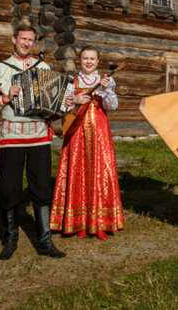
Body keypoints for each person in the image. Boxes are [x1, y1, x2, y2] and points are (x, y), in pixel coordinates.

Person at [0, 25, 65, 259]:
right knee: (9, 189)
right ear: (14, 39)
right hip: (12, 137)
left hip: (39, 136)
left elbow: (54, 103)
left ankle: (45, 241)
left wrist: (64, 103)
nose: (27, 43)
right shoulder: (1, 69)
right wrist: (6, 97)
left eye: (31, 40)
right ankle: (10, 239)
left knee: (41, 188)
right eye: (23, 39)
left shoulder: (43, 67)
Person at [51, 46, 124, 240]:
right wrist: (74, 99)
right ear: (79, 61)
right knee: (78, 171)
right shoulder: (72, 81)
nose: (89, 62)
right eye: (85, 58)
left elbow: (112, 106)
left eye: (92, 58)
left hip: (100, 132)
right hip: (77, 131)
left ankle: (100, 223)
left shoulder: (106, 81)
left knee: (100, 172)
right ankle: (78, 222)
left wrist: (107, 90)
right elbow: (61, 107)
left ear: (98, 61)